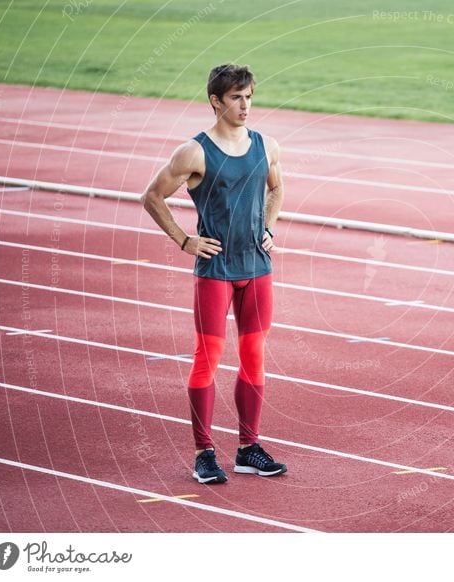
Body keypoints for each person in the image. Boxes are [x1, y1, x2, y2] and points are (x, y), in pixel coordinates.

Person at [141, 64, 286, 484]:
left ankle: (248, 448)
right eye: (237, 97)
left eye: (249, 96)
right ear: (215, 102)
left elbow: (276, 188)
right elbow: (152, 197)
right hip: (215, 272)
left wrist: (269, 228)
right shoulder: (195, 152)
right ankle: (204, 453)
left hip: (257, 268)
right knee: (208, 359)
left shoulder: (266, 145)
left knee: (254, 357)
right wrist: (185, 241)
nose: (246, 105)